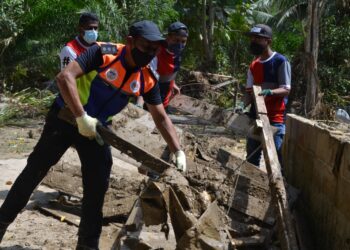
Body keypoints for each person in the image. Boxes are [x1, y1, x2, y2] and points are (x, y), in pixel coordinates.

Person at [0, 20, 186, 250]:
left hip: (96, 130)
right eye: (145, 47)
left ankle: (87, 246)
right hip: (65, 118)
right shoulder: (103, 53)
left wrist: (177, 150)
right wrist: (80, 117)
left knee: (97, 189)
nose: (149, 54)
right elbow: (64, 77)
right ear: (130, 42)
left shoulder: (147, 77)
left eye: (153, 49)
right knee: (34, 172)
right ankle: (2, 223)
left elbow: (160, 117)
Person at [244, 24, 291, 167]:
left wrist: (270, 92)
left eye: (258, 38)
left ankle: (278, 188)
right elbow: (249, 92)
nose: (253, 41)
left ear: (268, 41)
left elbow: (286, 89)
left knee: (275, 160)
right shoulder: (253, 65)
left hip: (274, 119)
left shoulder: (280, 61)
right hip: (255, 117)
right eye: (252, 38)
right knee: (251, 159)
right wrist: (242, 105)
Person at [136, 21, 188, 111]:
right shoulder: (156, 53)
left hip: (165, 100)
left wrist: (173, 83)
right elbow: (145, 79)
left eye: (183, 41)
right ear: (168, 38)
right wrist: (139, 104)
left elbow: (171, 71)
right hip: (150, 101)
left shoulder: (178, 55)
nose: (179, 44)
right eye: (176, 40)